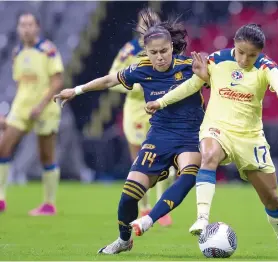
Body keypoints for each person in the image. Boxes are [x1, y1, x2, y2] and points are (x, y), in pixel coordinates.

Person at [146, 24, 278, 257]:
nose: (245, 59)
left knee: (271, 198)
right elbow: (192, 85)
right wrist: (161, 102)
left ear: (260, 53)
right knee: (209, 154)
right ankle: (202, 218)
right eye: (241, 52)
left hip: (250, 138)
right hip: (218, 129)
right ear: (234, 44)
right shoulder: (216, 60)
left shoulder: (266, 66)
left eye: (252, 55)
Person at [54, 11, 205, 255]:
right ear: (146, 51)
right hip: (158, 136)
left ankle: (149, 219)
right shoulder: (141, 69)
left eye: (164, 51)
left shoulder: (189, 66)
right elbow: (108, 81)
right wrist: (76, 90)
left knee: (188, 174)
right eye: (153, 52)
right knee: (128, 196)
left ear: (171, 47)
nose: (159, 57)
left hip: (190, 136)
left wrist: (207, 74)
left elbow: (222, 78)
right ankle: (124, 240)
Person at [109, 8, 173, 226]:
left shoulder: (167, 49)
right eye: (144, 24)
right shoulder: (129, 51)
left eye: (153, 23)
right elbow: (113, 78)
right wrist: (136, 87)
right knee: (139, 161)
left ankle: (162, 209)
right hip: (137, 109)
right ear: (138, 27)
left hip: (163, 109)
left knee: (167, 160)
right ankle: (145, 208)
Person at [0, 12, 64, 215]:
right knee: (3, 147)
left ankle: (49, 203)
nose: (26, 28)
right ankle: (1, 198)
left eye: (29, 24)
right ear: (18, 28)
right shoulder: (17, 51)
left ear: (37, 27)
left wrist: (40, 105)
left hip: (46, 108)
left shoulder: (48, 50)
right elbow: (21, 84)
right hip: (21, 108)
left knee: (46, 155)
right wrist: (9, 111)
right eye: (22, 24)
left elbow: (57, 81)